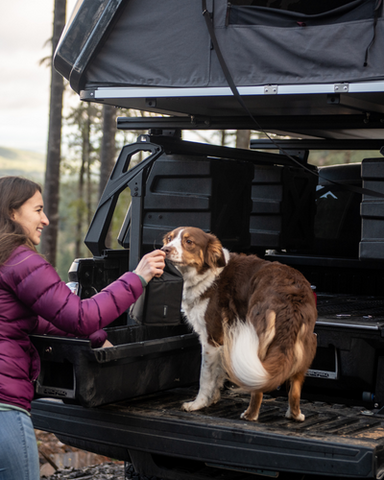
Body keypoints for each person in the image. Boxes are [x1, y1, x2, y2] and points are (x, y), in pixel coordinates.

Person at [0, 176, 165, 480]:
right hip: (4, 408)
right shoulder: (20, 260)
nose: (45, 220)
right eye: (37, 210)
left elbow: (37, 320)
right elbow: (79, 316)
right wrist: (137, 277)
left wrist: (94, 337)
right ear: (12, 212)